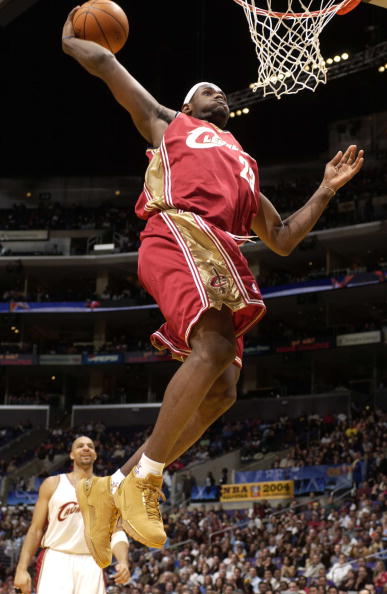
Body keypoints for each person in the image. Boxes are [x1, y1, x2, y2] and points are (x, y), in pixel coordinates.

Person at [61, 7, 365, 564]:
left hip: (218, 247)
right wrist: (70, 35)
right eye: (205, 88)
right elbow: (104, 61)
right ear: (187, 106)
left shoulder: (246, 163)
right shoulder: (167, 123)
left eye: (220, 89)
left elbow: (280, 237)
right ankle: (145, 483)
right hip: (177, 229)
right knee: (216, 346)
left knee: (223, 388)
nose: (216, 91)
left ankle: (111, 489)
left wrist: (324, 189)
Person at [13, 436, 129, 594]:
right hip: (56, 559)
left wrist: (123, 561)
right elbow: (36, 530)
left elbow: (117, 531)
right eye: (80, 446)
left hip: (91, 562)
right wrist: (21, 569)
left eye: (90, 446)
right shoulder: (52, 484)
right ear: (72, 455)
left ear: (95, 455)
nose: (86, 448)